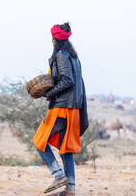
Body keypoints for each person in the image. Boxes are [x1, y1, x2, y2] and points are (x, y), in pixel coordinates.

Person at [32, 22, 89, 195]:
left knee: (39, 141)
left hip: (62, 107)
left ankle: (58, 175)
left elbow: (67, 80)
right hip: (74, 108)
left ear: (54, 38)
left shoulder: (62, 56)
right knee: (66, 149)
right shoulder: (74, 57)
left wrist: (48, 93)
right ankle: (70, 189)